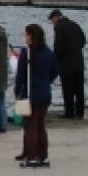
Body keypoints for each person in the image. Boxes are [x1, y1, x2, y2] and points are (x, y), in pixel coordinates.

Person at [14, 23, 59, 168]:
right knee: (40, 125)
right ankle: (43, 155)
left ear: (31, 36)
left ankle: (32, 156)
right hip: (45, 92)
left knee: (30, 126)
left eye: (26, 35)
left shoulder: (26, 53)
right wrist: (46, 81)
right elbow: (55, 70)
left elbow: (20, 75)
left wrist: (17, 91)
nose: (24, 37)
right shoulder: (48, 52)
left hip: (29, 93)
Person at [47, 9, 86, 120]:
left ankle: (69, 112)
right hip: (78, 62)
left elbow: (58, 47)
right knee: (79, 90)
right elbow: (83, 41)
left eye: (52, 20)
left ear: (56, 17)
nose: (52, 23)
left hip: (66, 64)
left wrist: (55, 59)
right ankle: (80, 112)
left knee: (68, 90)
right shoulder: (75, 24)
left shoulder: (59, 28)